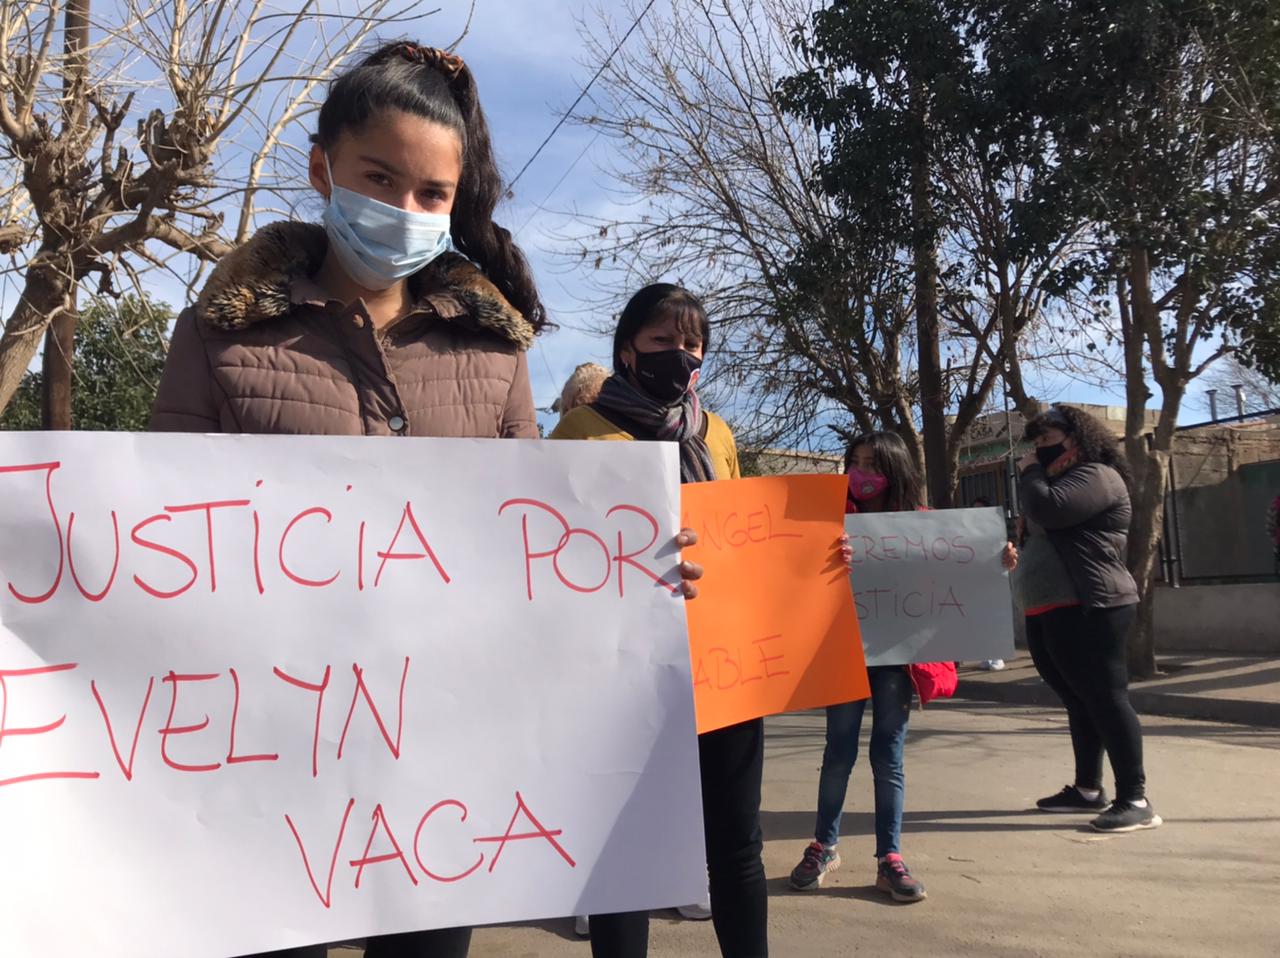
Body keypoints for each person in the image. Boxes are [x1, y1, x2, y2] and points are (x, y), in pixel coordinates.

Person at [148, 41, 701, 958]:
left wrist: (638, 575)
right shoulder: (220, 336)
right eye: (378, 177)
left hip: (440, 778)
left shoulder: (494, 355)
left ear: (454, 203)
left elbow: (542, 551)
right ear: (323, 167)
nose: (403, 210)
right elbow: (158, 545)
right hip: (265, 767)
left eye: (431, 195)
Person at [552, 284, 765, 958]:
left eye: (691, 345)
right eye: (661, 342)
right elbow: (551, 548)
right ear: (627, 350)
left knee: (736, 844)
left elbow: (748, 537)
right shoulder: (583, 431)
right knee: (626, 852)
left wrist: (811, 554)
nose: (679, 356)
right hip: (623, 668)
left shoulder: (719, 433)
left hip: (724, 661)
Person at [789, 433, 1017, 902]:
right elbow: (795, 573)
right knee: (838, 752)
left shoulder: (925, 527)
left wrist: (998, 561)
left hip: (897, 661)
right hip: (844, 653)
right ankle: (824, 845)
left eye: (871, 464)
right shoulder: (828, 522)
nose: (860, 473)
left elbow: (963, 570)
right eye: (853, 463)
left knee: (887, 756)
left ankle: (888, 857)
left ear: (894, 469)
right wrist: (825, 561)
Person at [1013, 404, 1160, 833]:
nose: (1039, 449)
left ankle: (1135, 798)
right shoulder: (1056, 480)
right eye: (1036, 442)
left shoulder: (1095, 475)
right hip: (1049, 608)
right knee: (1079, 699)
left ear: (1077, 437)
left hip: (1090, 605)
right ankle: (1087, 789)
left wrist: (1029, 473)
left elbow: (1050, 510)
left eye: (1048, 438)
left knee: (1106, 697)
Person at [967, 497, 1006, 670]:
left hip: (992, 577)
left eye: (980, 509)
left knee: (993, 617)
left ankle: (997, 656)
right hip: (975, 579)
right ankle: (985, 656)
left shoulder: (995, 529)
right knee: (979, 618)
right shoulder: (969, 530)